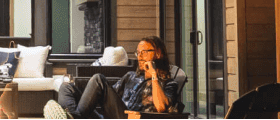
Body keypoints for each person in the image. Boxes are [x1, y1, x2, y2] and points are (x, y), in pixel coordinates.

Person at [45, 38, 182, 119]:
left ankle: (71, 116)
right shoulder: (131, 76)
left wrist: (153, 75)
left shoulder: (169, 83)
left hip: (130, 117)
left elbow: (161, 108)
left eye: (144, 52)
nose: (139, 56)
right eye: (138, 52)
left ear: (157, 53)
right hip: (111, 116)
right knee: (66, 87)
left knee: (98, 79)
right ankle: (72, 116)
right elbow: (109, 96)